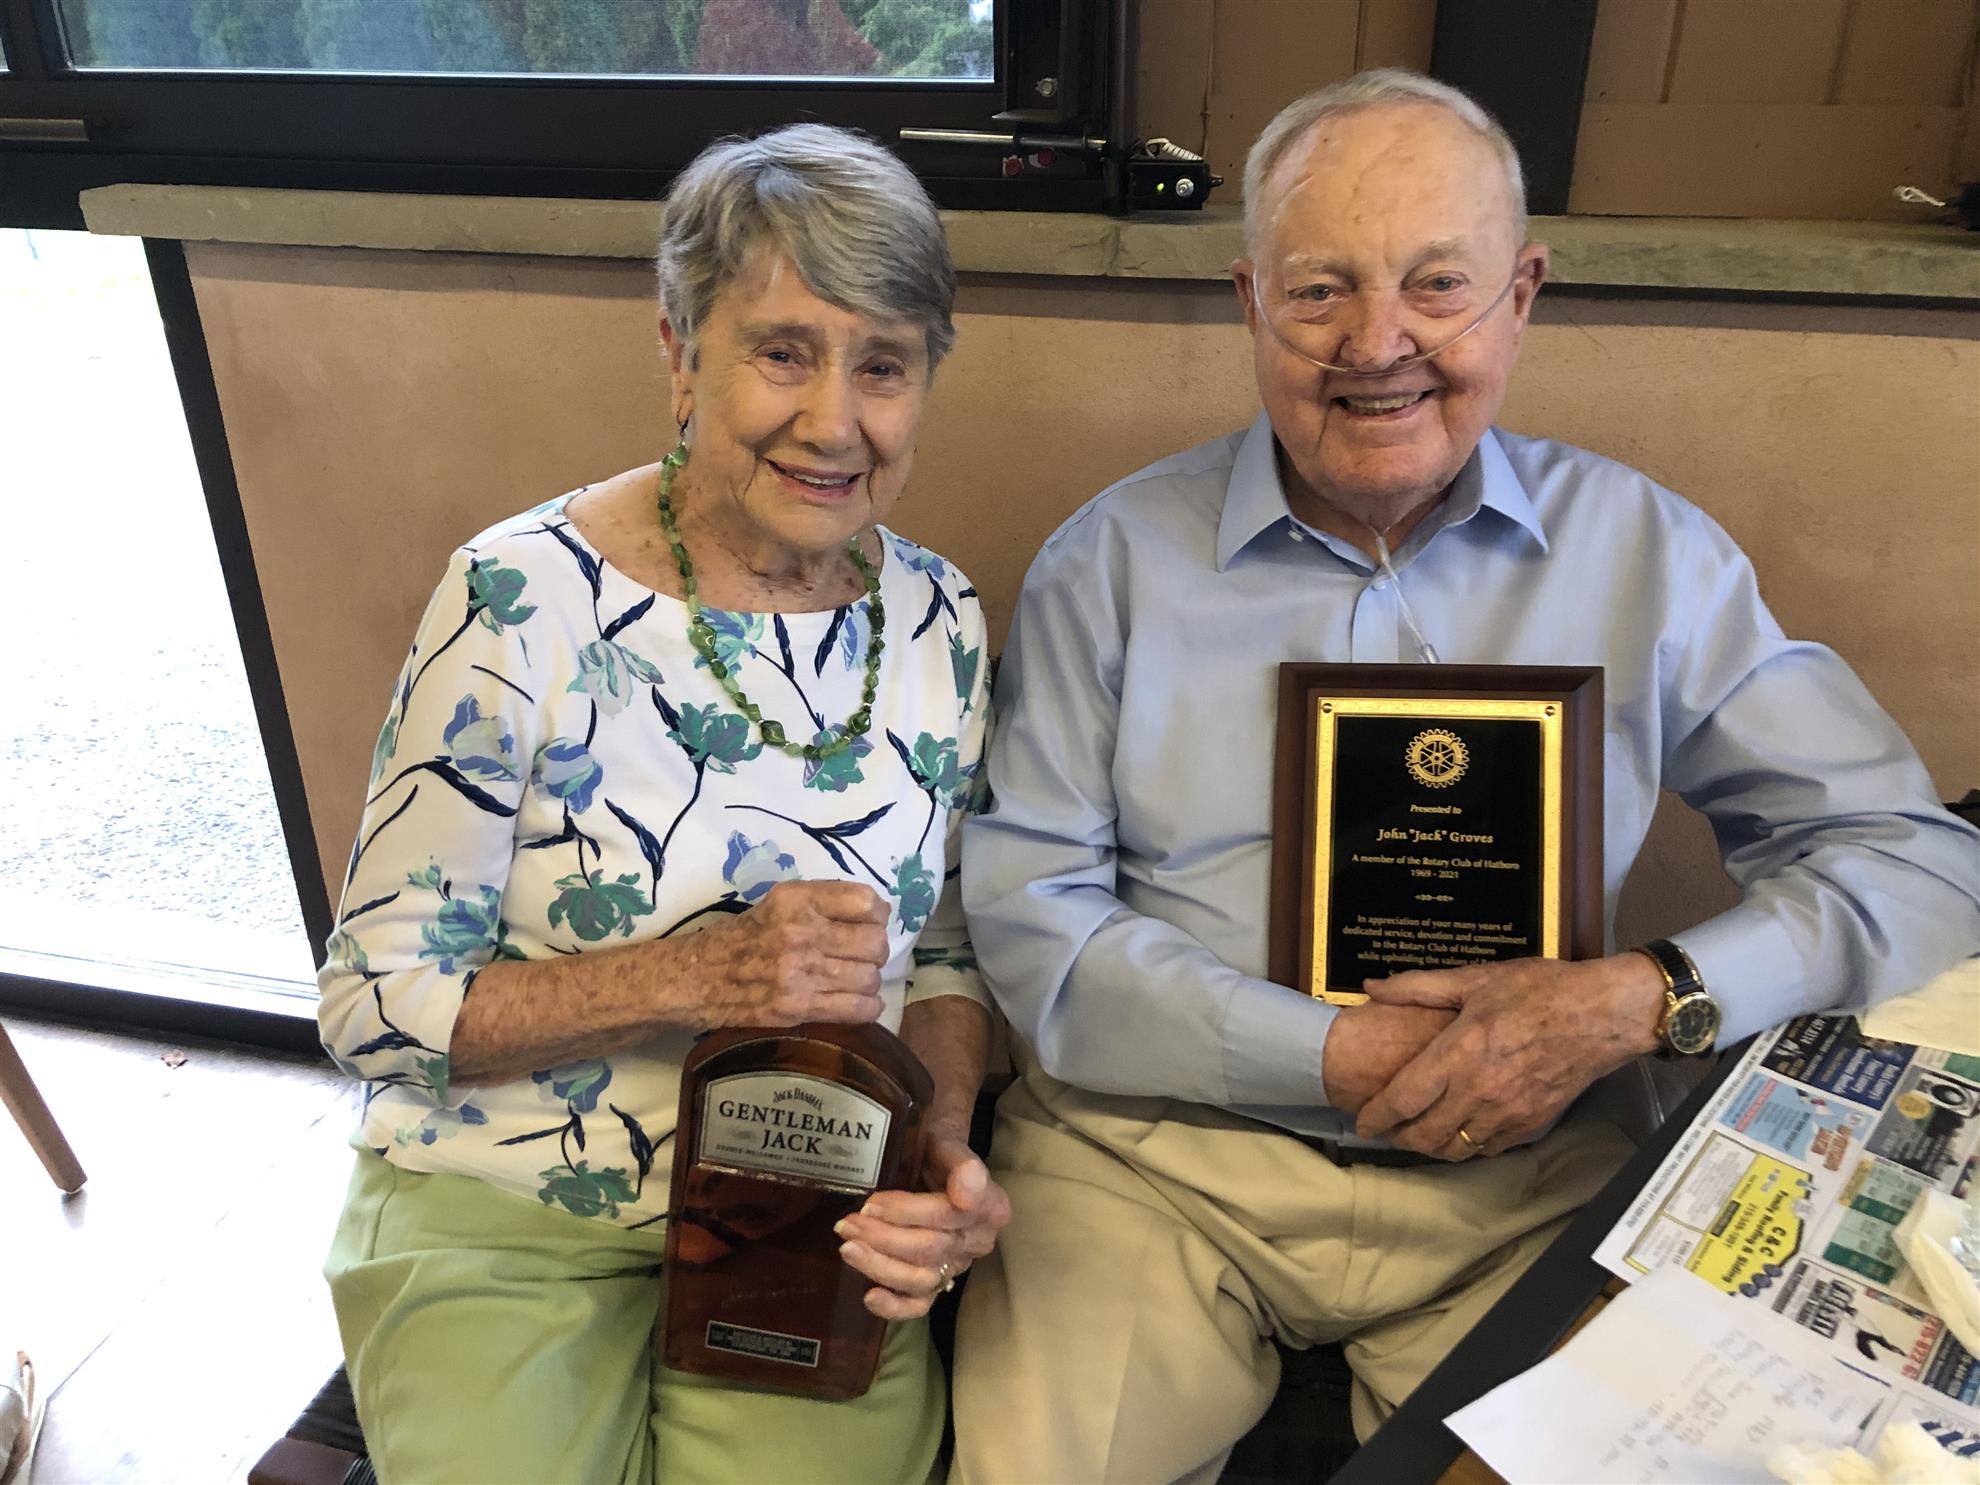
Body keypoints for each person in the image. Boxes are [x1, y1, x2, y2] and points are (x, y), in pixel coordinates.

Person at [951, 68, 1980, 1483]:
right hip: (1154, 1162)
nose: (1378, 344)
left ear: (1522, 294)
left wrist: (1646, 996)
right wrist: (1332, 1053)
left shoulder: (1647, 555)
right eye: (1320, 290)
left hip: (1523, 1173)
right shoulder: (1110, 561)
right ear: (1251, 303)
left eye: (1437, 284)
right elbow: (1032, 922)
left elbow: (1918, 860)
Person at [317, 123, 1009, 1485]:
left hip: (814, 1213)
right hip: (505, 1203)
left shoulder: (943, 619)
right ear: (681, 352)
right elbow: (372, 1009)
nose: (836, 421)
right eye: (783, 352)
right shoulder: (518, 597)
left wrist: (934, 1151)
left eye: (883, 363)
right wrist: (694, 975)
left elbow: (944, 952)